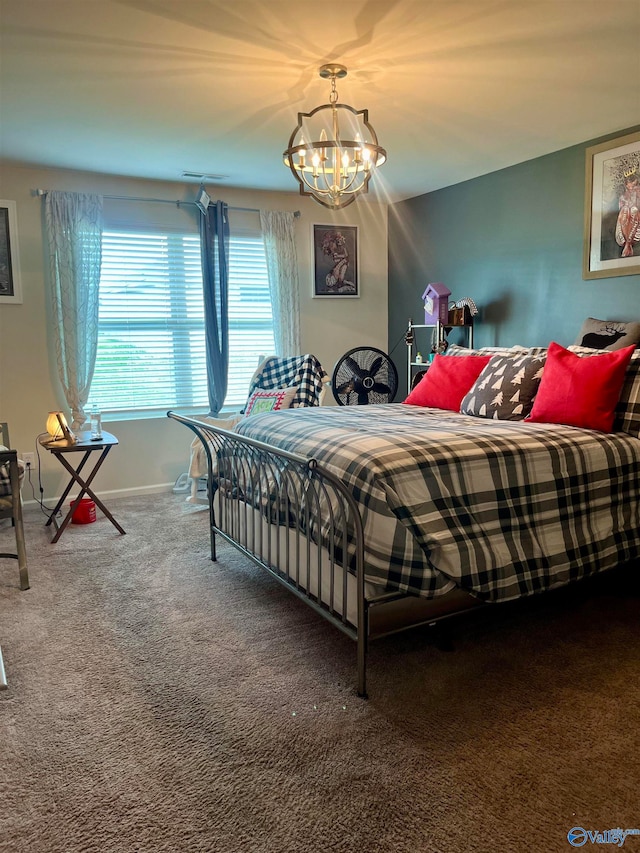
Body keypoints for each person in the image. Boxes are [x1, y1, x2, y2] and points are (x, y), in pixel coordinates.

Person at [615, 165, 640, 258]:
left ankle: (629, 241)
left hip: (637, 215)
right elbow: (621, 207)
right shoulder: (623, 196)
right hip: (626, 217)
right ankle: (626, 242)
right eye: (629, 184)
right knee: (625, 211)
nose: (632, 186)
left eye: (634, 184)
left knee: (634, 210)